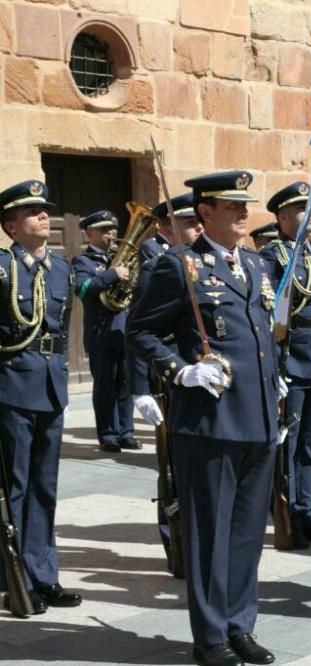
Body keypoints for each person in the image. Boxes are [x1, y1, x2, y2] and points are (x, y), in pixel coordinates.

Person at [128, 171, 284, 666]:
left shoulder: (257, 265)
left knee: (246, 532)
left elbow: (259, 333)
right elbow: (140, 331)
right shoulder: (180, 267)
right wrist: (181, 371)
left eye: (244, 205)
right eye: (231, 205)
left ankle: (241, 626)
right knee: (210, 533)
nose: (243, 212)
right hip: (210, 418)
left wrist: (274, 381)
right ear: (205, 213)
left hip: (257, 417)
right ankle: (211, 637)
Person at [0, 180, 83, 615]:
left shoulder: (61, 268)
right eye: (33, 212)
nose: (44, 216)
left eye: (45, 210)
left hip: (51, 384)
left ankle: (43, 574)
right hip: (13, 382)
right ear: (11, 225)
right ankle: (13, 576)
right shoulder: (1, 267)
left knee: (44, 487)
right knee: (15, 486)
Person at [260, 182, 311, 550]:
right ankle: (290, 515)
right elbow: (266, 315)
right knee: (288, 446)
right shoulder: (272, 257)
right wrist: (272, 368)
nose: (309, 216)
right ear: (281, 218)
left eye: (310, 209)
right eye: (300, 210)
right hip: (290, 358)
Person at [130, 195, 204, 577]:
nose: (198, 228)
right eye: (189, 222)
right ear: (167, 226)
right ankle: (174, 542)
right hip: (169, 380)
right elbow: (140, 330)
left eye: (198, 220)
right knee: (172, 468)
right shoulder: (161, 266)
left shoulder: (209, 265)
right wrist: (139, 389)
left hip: (202, 379)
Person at [71, 210, 139, 453]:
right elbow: (82, 289)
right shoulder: (83, 261)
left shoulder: (120, 258)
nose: (110, 234)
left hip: (123, 331)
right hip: (100, 333)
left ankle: (126, 432)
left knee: (126, 384)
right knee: (105, 387)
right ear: (89, 233)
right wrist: (112, 274)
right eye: (103, 229)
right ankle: (108, 434)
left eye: (112, 229)